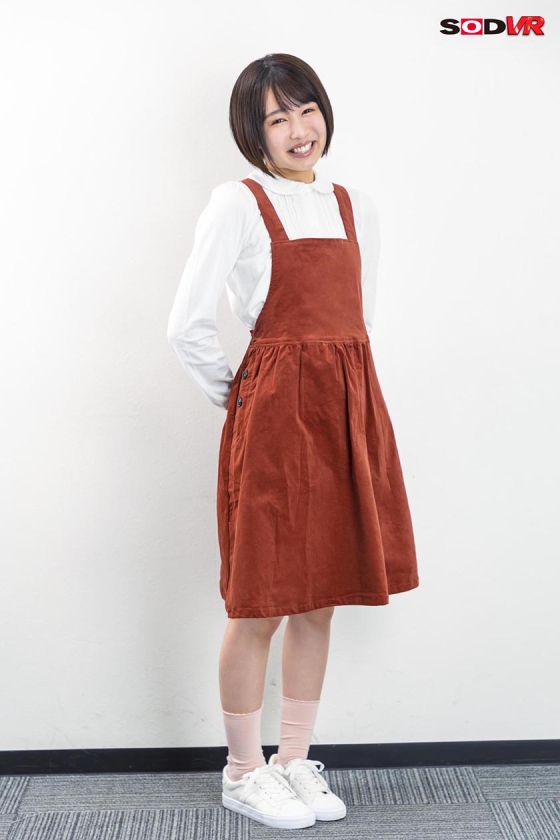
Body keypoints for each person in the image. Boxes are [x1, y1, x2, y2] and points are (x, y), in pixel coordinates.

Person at [167, 53, 419, 831]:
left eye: (306, 109)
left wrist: (345, 404)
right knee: (261, 604)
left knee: (319, 599)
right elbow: (186, 326)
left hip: (345, 407)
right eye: (277, 118)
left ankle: (292, 761)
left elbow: (358, 321)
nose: (298, 129)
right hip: (274, 415)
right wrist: (246, 402)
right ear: (254, 132)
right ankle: (242, 771)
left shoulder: (354, 205)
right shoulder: (237, 204)